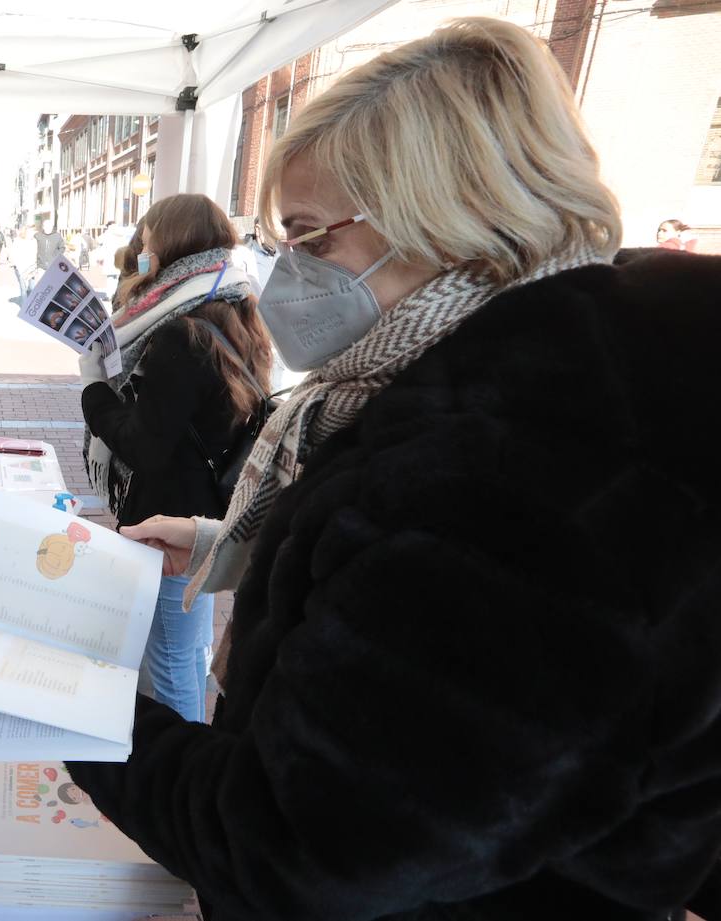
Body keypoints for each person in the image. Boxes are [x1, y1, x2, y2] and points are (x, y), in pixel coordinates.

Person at [68, 17, 721, 920]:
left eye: (310, 236)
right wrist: (230, 543)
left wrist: (72, 702)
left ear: (442, 220)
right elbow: (415, 617)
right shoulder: (570, 376)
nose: (282, 273)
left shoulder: (509, 476)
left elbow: (297, 842)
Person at [79, 194, 271, 722]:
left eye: (147, 240)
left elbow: (143, 444)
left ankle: (178, 768)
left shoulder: (178, 332)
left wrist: (94, 387)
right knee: (181, 649)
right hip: (205, 511)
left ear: (168, 243)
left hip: (171, 524)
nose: (141, 250)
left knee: (171, 660)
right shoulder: (230, 305)